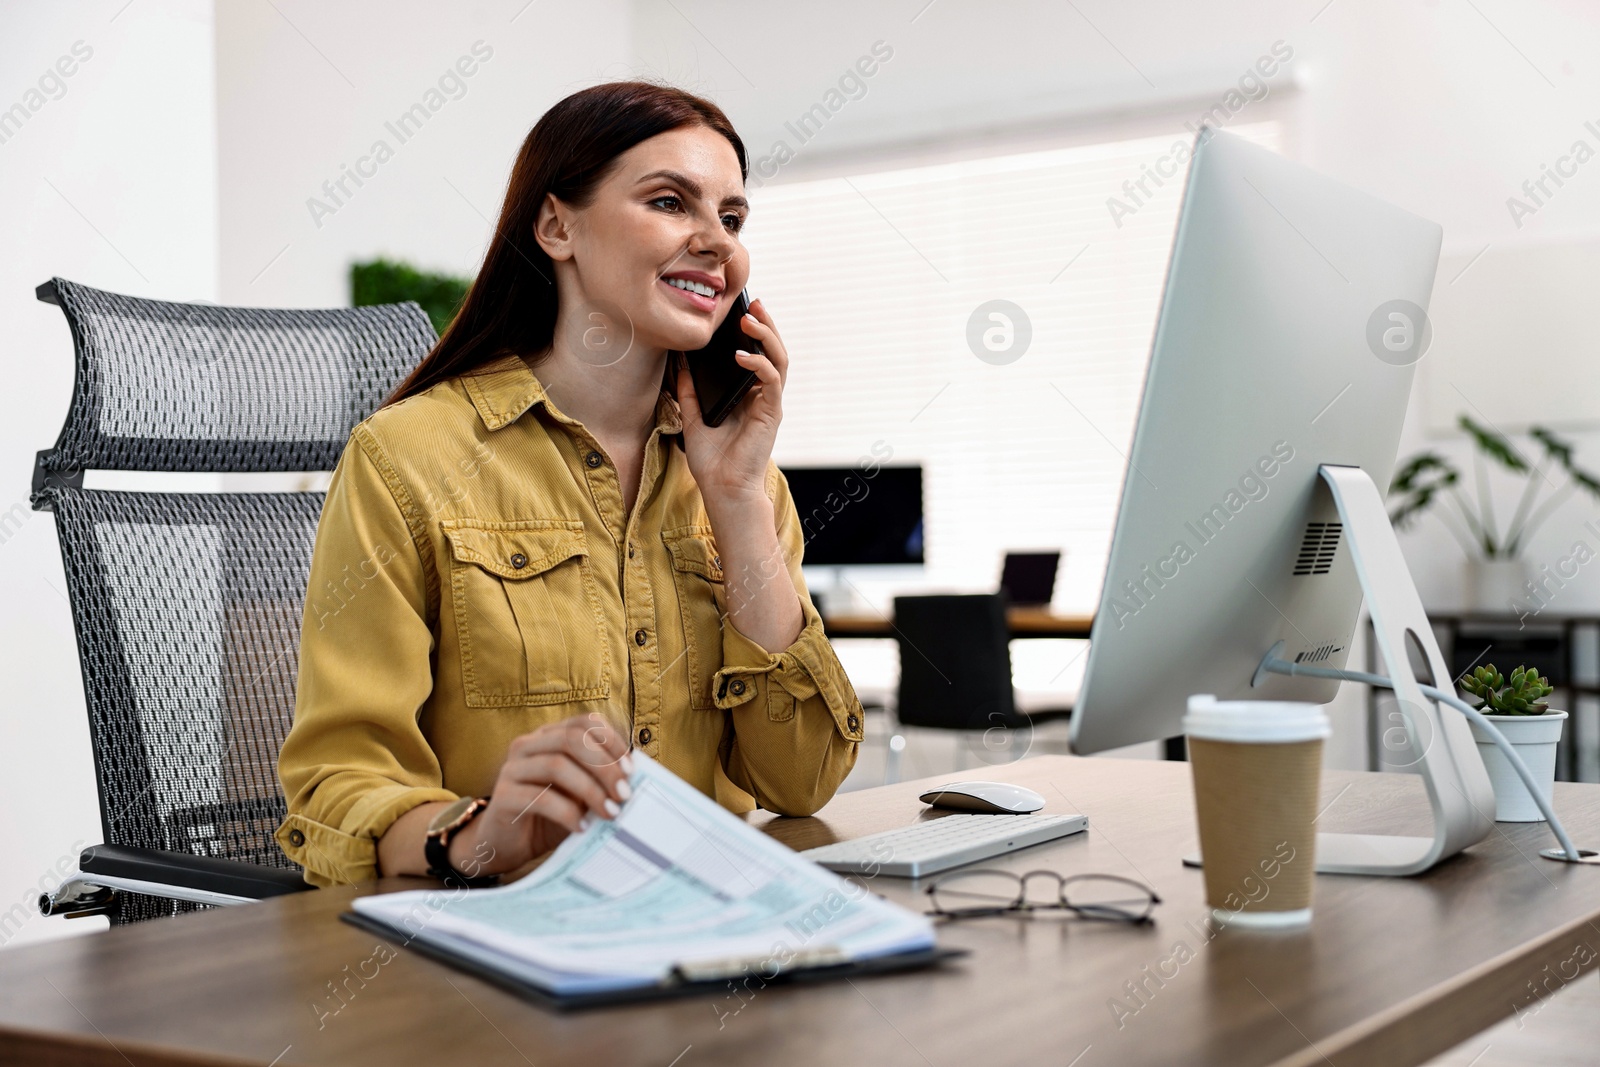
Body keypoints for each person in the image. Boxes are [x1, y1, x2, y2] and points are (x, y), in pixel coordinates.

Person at [274, 81, 865, 888]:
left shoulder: (745, 486)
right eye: (669, 202)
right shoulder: (406, 457)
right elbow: (337, 785)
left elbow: (802, 781)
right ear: (557, 226)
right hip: (499, 949)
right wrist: (483, 833)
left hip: (708, 930)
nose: (716, 243)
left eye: (731, 219)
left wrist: (735, 501)